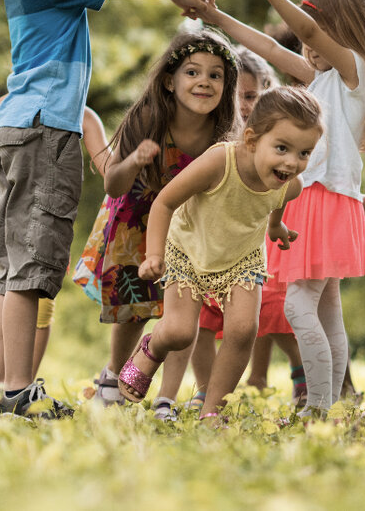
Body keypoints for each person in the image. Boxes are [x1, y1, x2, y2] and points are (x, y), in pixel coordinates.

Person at [0, 0, 267, 418]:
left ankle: (3, 389)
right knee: (35, 267)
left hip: (17, 127)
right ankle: (14, 392)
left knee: (18, 265)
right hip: (46, 131)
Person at [195, 0, 365, 416]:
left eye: (318, 31)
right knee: (326, 311)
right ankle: (330, 403)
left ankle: (317, 406)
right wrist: (215, 19)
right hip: (315, 200)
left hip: (324, 199)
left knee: (298, 303)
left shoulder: (355, 73)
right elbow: (271, 50)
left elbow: (305, 32)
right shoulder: (323, 80)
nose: (308, 47)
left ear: (345, 30)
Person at [116, 87, 325, 419]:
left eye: (304, 153)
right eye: (282, 148)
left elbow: (279, 200)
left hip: (243, 259)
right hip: (189, 250)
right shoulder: (219, 161)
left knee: (243, 330)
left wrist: (274, 228)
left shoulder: (291, 184)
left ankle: (212, 412)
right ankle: (152, 345)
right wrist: (153, 255)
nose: (292, 162)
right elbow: (165, 202)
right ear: (253, 140)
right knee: (181, 332)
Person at [72, 29, 239, 420]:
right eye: (193, 72)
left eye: (216, 75)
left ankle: (165, 397)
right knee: (136, 307)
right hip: (137, 217)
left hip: (189, 225)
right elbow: (113, 182)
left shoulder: (223, 132)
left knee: (182, 311)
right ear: (170, 80)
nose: (204, 82)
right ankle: (113, 378)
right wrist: (133, 161)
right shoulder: (149, 117)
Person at [0, 96, 112, 417]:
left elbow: (109, 166)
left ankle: (20, 390)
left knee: (40, 309)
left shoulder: (83, 116)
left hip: (44, 226)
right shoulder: (1, 107)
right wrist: (6, 210)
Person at [187, 49, 309, 411]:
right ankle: (206, 390)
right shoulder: (212, 136)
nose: (243, 104)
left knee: (270, 314)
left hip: (251, 247)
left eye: (253, 96)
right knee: (204, 321)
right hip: (206, 244)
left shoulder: (275, 145)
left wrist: (276, 224)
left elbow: (285, 190)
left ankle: (299, 372)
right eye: (237, 95)